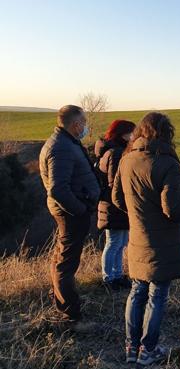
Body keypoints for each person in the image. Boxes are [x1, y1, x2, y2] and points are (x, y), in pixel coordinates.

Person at [112, 112, 180, 365]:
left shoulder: (126, 160)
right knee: (157, 294)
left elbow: (116, 199)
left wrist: (137, 214)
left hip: (137, 236)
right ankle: (148, 349)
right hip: (163, 240)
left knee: (137, 290)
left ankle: (131, 347)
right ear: (167, 133)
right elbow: (172, 208)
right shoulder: (167, 163)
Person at [39, 105, 100, 330]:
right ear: (75, 125)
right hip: (70, 213)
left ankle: (62, 302)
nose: (85, 126)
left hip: (69, 211)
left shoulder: (64, 143)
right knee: (66, 263)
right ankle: (70, 316)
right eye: (83, 122)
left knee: (61, 257)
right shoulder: (62, 148)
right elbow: (57, 188)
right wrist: (80, 209)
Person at [95, 119, 135, 290]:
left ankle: (117, 275)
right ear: (123, 134)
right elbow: (115, 182)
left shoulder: (112, 150)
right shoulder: (116, 153)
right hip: (114, 204)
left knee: (120, 241)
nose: (134, 136)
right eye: (131, 133)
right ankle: (108, 278)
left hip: (115, 203)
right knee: (113, 242)